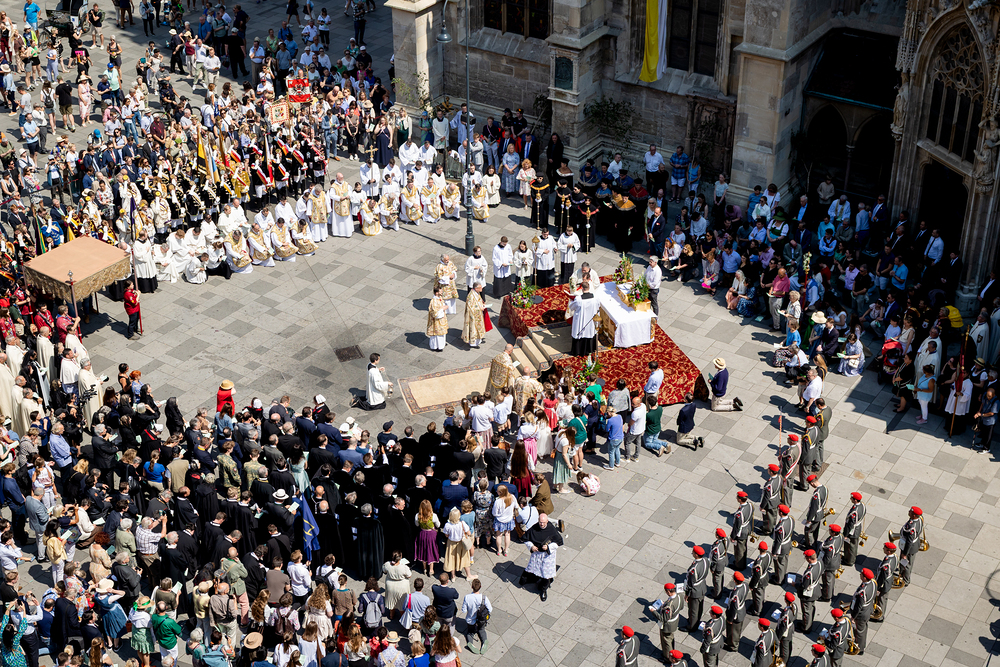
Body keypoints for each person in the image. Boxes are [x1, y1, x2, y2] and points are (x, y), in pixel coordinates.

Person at [518, 513, 563, 601]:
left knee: (546, 574)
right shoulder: (534, 528)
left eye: (543, 522)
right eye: (540, 522)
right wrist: (531, 546)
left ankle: (543, 590)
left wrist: (548, 547)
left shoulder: (551, 529)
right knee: (532, 568)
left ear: (547, 521)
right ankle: (528, 580)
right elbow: (526, 539)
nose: (541, 524)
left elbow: (558, 542)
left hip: (547, 556)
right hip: (536, 554)